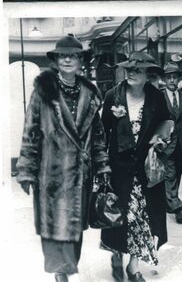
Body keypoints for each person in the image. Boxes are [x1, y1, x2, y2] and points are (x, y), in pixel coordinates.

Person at [16, 34, 111, 282]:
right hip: (52, 172)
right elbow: (31, 130)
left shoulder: (91, 95)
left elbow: (98, 135)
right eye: (63, 55)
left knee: (75, 228)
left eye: (73, 55)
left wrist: (102, 166)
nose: (68, 59)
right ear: (57, 60)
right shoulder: (43, 91)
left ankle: (68, 266)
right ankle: (61, 272)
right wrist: (26, 168)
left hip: (80, 172)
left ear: (80, 60)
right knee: (54, 226)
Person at [101, 51, 171, 282]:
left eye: (137, 70)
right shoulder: (113, 96)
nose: (131, 73)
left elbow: (166, 122)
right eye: (129, 69)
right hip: (118, 169)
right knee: (118, 217)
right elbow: (102, 133)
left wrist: (160, 139)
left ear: (147, 74)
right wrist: (101, 166)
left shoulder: (156, 97)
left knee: (141, 218)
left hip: (145, 169)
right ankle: (116, 254)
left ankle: (133, 266)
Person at [162, 62, 182, 224]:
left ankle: (170, 201)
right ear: (164, 80)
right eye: (169, 78)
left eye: (175, 78)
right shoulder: (159, 97)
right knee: (169, 175)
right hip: (166, 144)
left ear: (179, 79)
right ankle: (177, 207)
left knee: (177, 175)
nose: (172, 81)